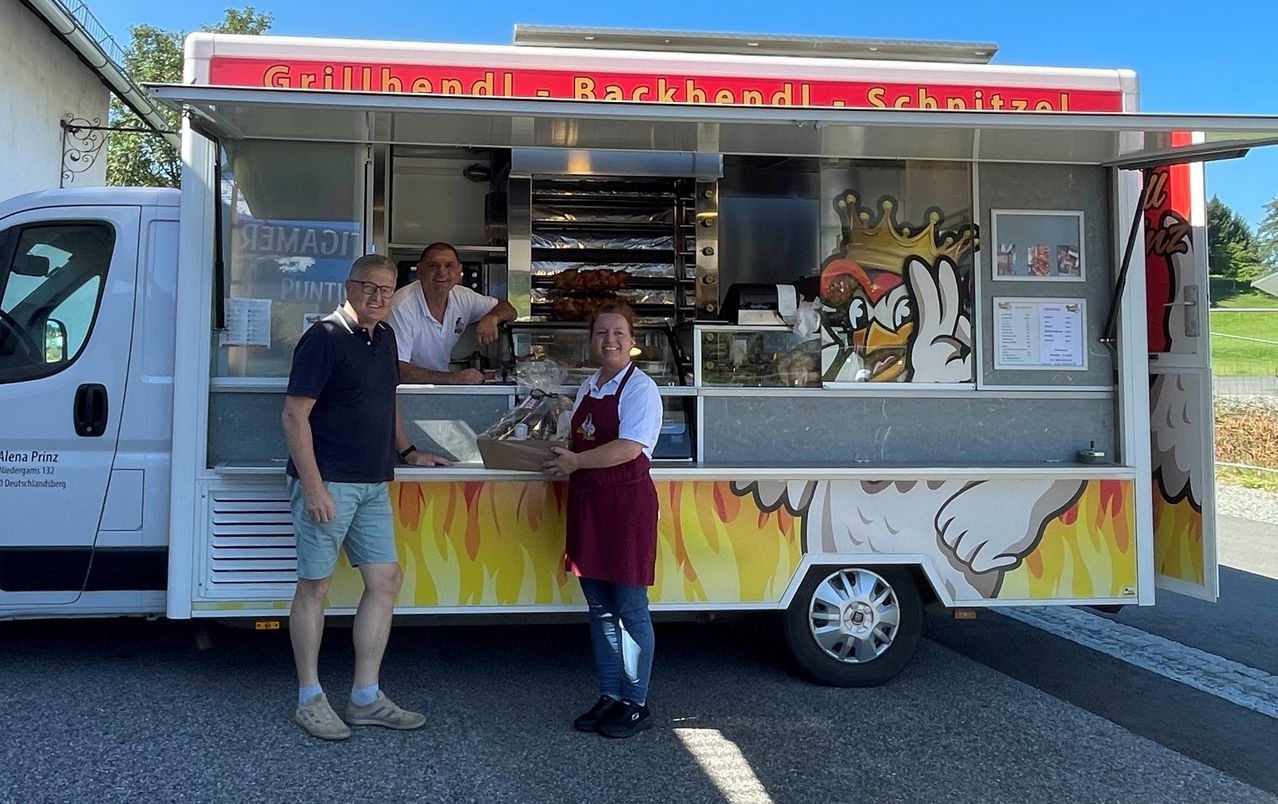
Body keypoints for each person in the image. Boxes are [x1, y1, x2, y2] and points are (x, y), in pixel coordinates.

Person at [283, 253, 451, 741]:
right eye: (368, 287)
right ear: (349, 286)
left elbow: (387, 400)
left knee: (385, 580)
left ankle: (364, 697)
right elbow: (295, 416)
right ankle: (309, 698)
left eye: (385, 290)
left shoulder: (386, 337)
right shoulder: (323, 338)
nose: (377, 297)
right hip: (329, 482)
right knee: (314, 587)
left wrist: (409, 450)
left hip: (374, 482)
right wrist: (313, 485)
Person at [543, 302, 664, 739]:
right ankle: (610, 694)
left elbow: (629, 448)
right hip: (589, 505)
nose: (609, 340)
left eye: (618, 333)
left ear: (633, 341)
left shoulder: (641, 389)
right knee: (599, 609)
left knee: (630, 609)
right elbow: (579, 436)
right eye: (600, 333)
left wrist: (575, 461)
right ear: (590, 339)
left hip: (626, 507)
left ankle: (636, 702)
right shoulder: (588, 387)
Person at [388, 242, 517, 385]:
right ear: (419, 271)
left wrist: (492, 317)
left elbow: (509, 309)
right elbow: (395, 369)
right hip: (406, 392)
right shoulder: (401, 307)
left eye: (449, 266)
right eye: (433, 266)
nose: (442, 272)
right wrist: (452, 378)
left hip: (441, 387)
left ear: (458, 272)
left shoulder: (463, 296)